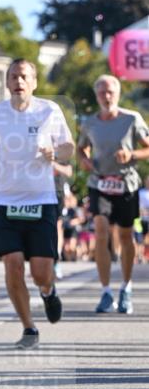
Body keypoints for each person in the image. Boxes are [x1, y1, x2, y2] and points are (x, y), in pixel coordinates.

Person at [0, 59, 74, 349]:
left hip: (41, 200)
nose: (18, 81)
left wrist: (55, 152)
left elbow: (68, 147)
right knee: (12, 265)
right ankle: (29, 327)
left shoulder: (49, 110)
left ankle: (48, 290)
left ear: (34, 82)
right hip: (6, 201)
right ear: (7, 83)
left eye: (24, 76)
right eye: (13, 76)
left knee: (41, 271)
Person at [77, 74, 149, 315]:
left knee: (127, 237)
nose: (106, 97)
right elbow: (81, 148)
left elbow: (148, 147)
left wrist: (132, 156)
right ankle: (106, 291)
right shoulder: (89, 122)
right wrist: (84, 160)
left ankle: (126, 288)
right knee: (100, 230)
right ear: (96, 95)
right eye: (102, 93)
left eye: (110, 92)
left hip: (126, 185)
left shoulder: (132, 119)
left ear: (118, 94)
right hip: (99, 184)